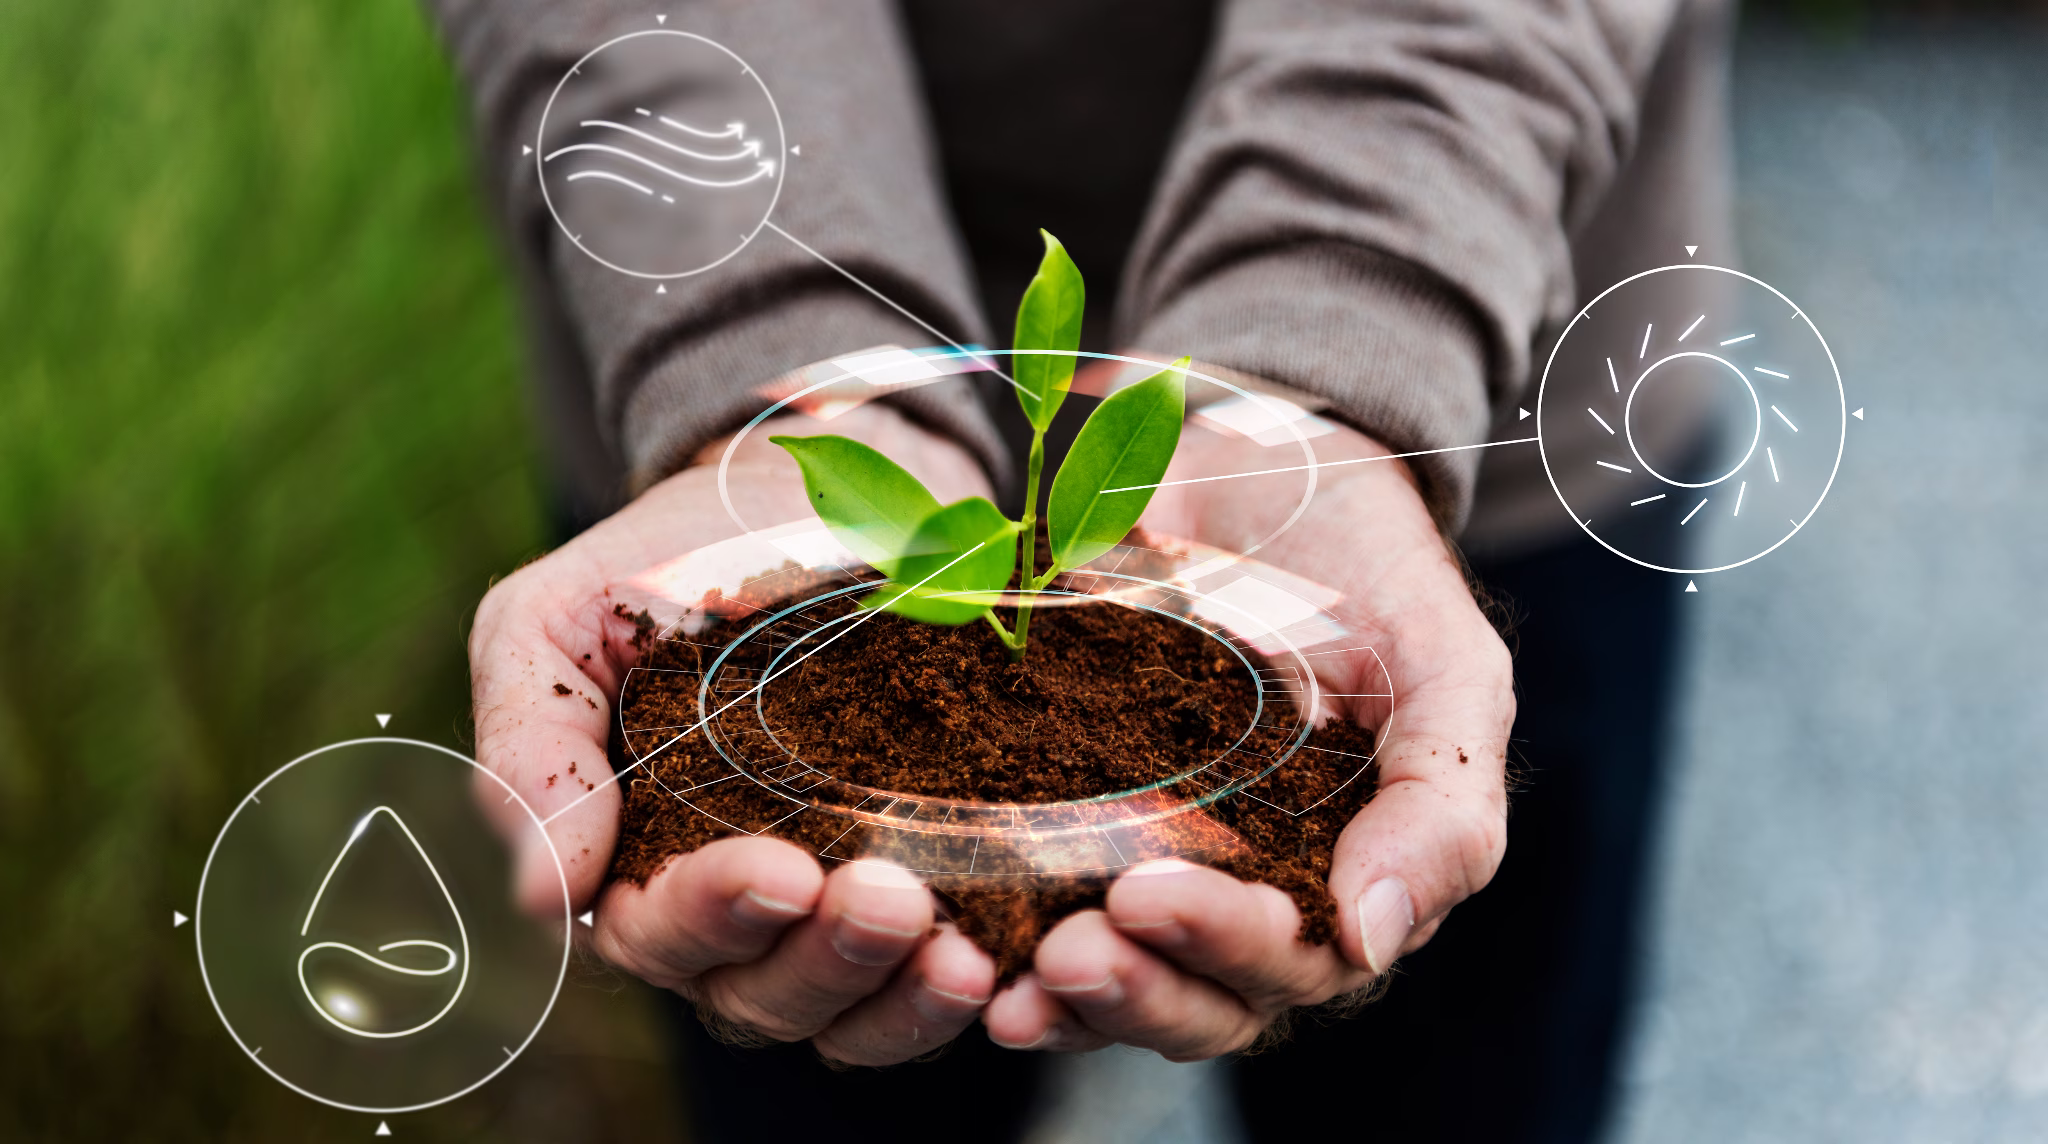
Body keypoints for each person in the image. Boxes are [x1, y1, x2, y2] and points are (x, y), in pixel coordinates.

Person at [434, 1, 1733, 1139]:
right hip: (717, 418)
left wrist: (1348, 319)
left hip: (1473, 331)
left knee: (1454, 1072)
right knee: (818, 1037)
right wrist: (767, 333)